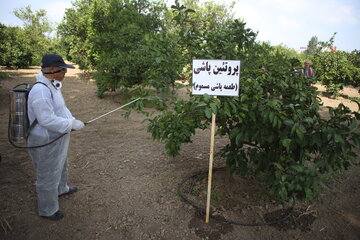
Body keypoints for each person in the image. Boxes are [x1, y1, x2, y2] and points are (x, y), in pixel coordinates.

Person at [27, 54, 85, 221]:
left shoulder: (52, 86)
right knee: (48, 174)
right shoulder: (41, 91)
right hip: (45, 140)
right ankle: (48, 209)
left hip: (57, 137)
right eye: (63, 69)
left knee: (61, 164)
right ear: (52, 70)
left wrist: (71, 120)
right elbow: (46, 120)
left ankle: (61, 189)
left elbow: (60, 110)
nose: (65, 72)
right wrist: (71, 125)